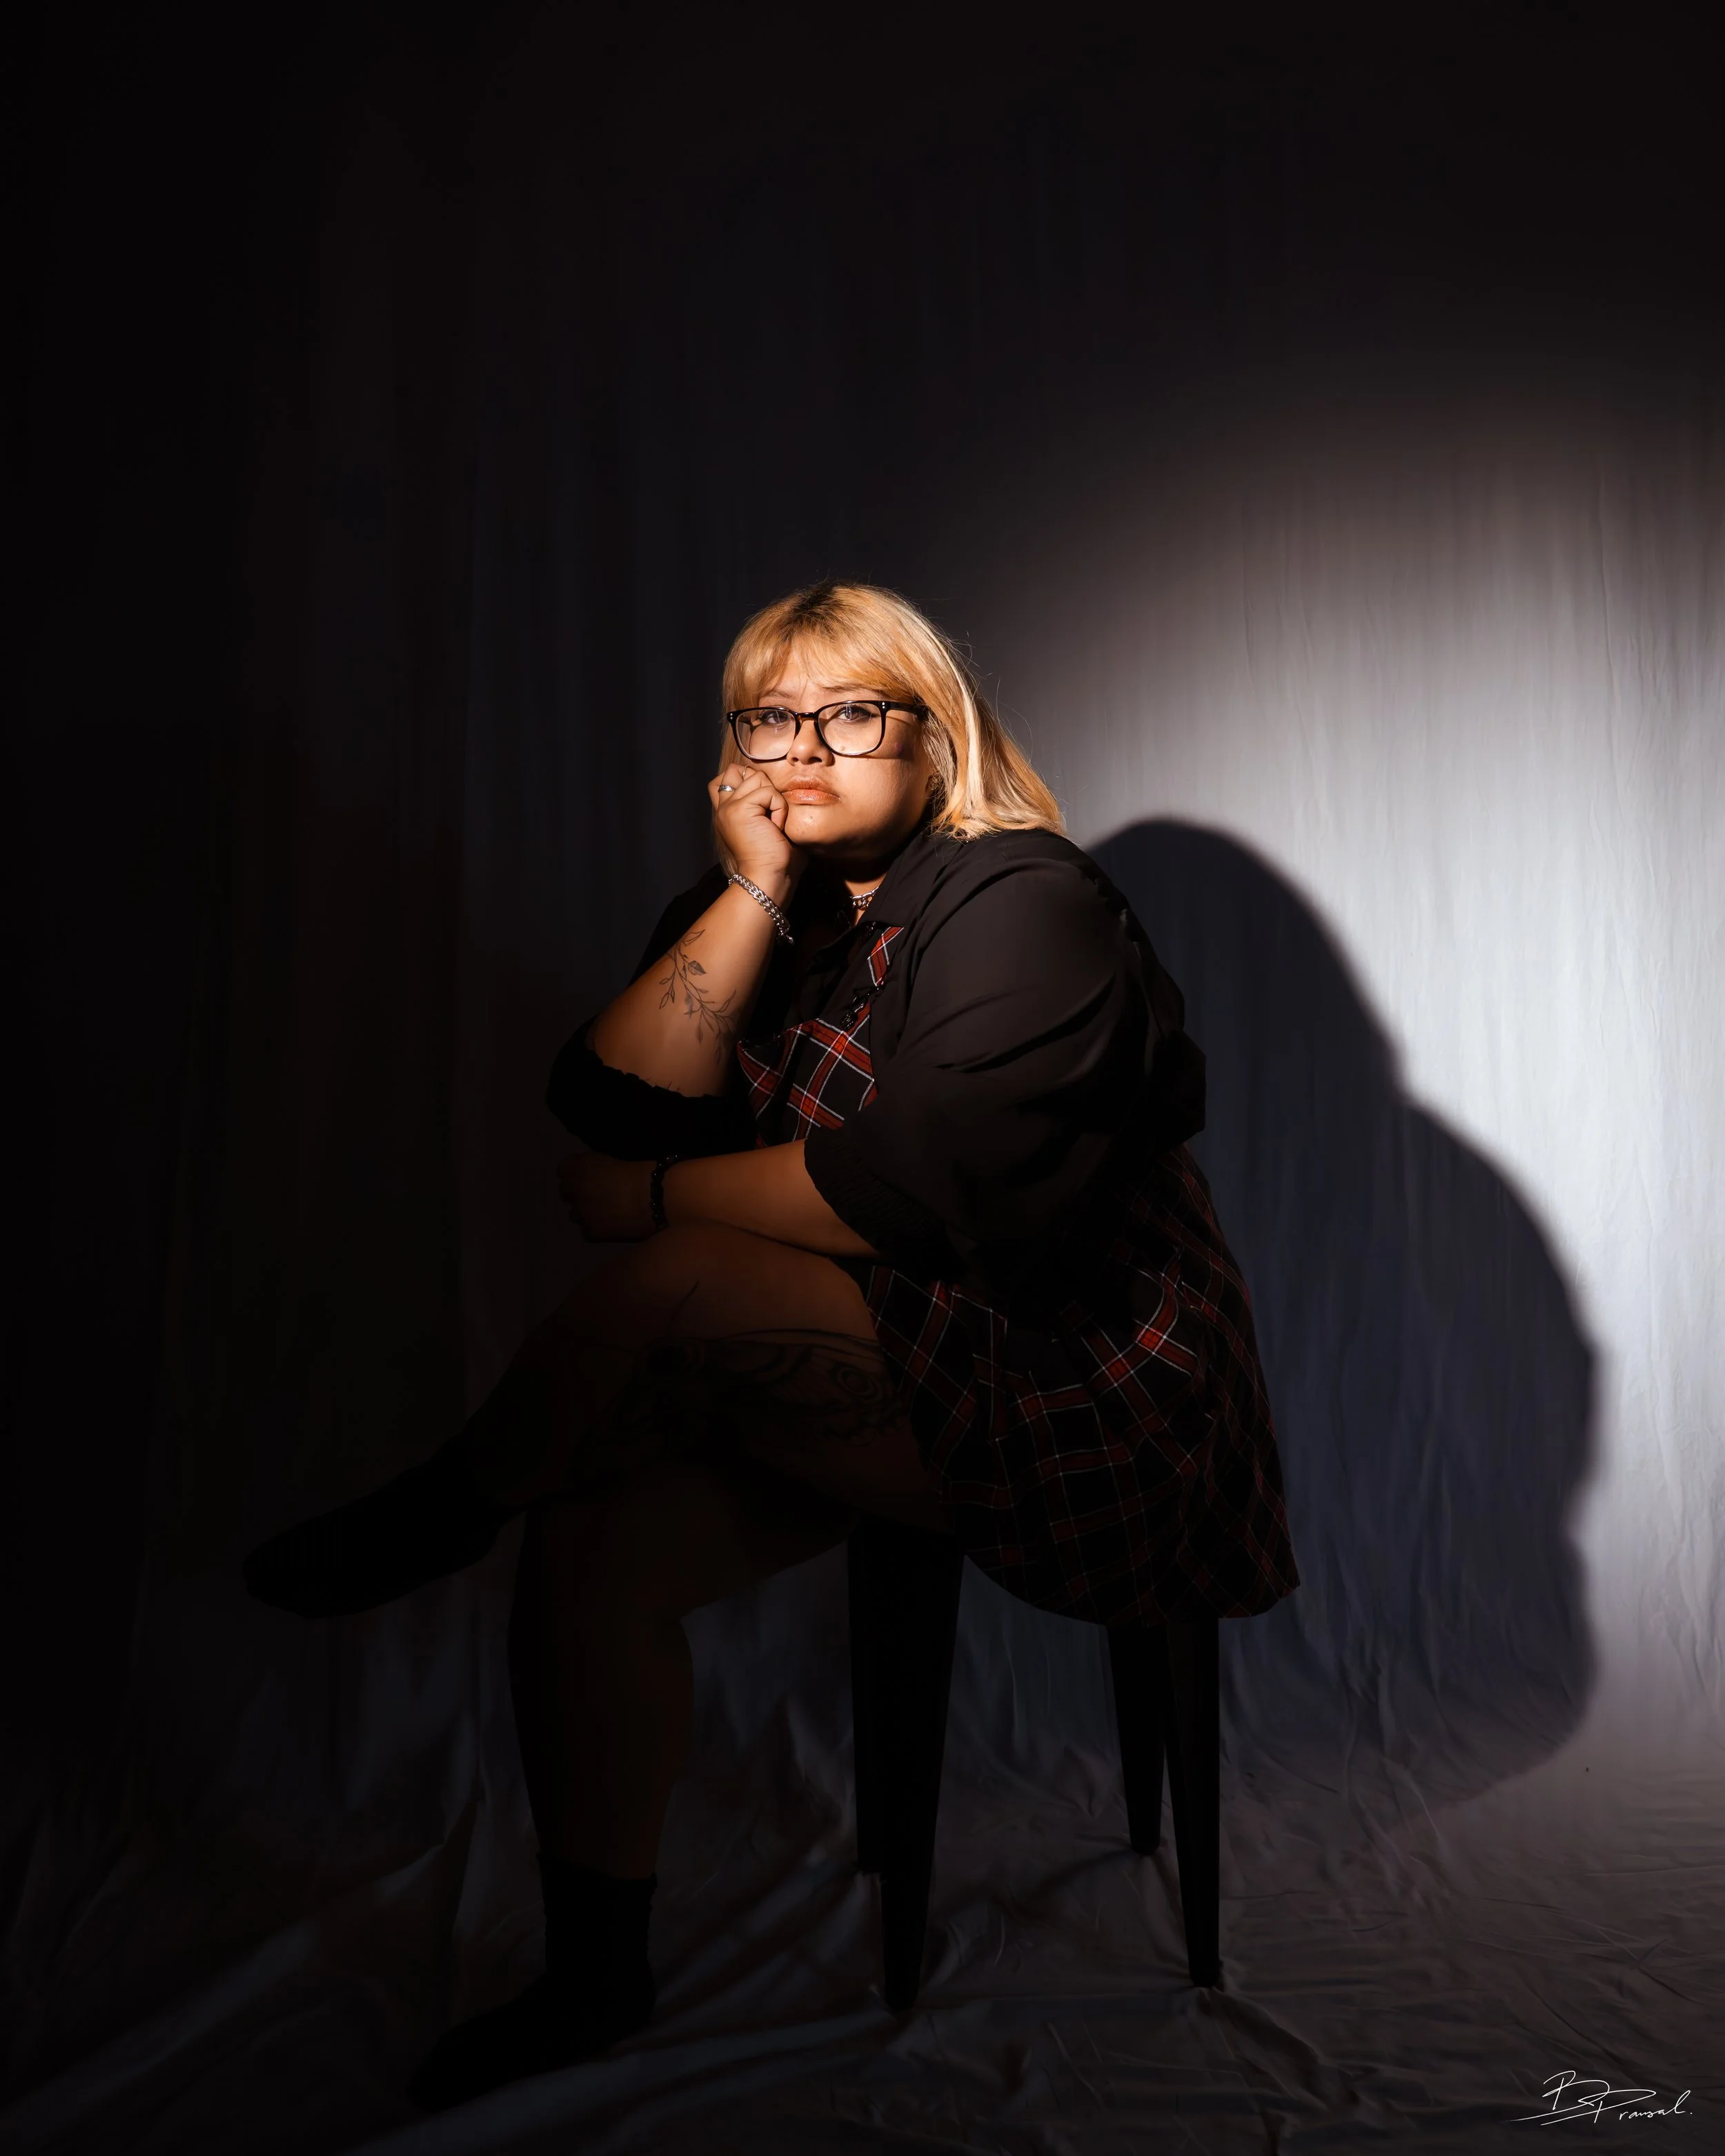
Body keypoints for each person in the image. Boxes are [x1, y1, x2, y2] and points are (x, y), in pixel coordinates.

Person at [243, 578, 1300, 2110]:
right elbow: (614, 1102)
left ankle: (454, 1501)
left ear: (935, 735)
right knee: (592, 1550)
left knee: (674, 1272)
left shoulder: (1023, 896)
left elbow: (912, 1185)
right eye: (764, 717)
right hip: (887, 1345)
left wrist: (653, 1199)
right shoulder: (777, 902)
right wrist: (746, 891)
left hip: (1082, 1375)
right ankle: (596, 1971)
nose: (797, 749)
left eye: (847, 713)